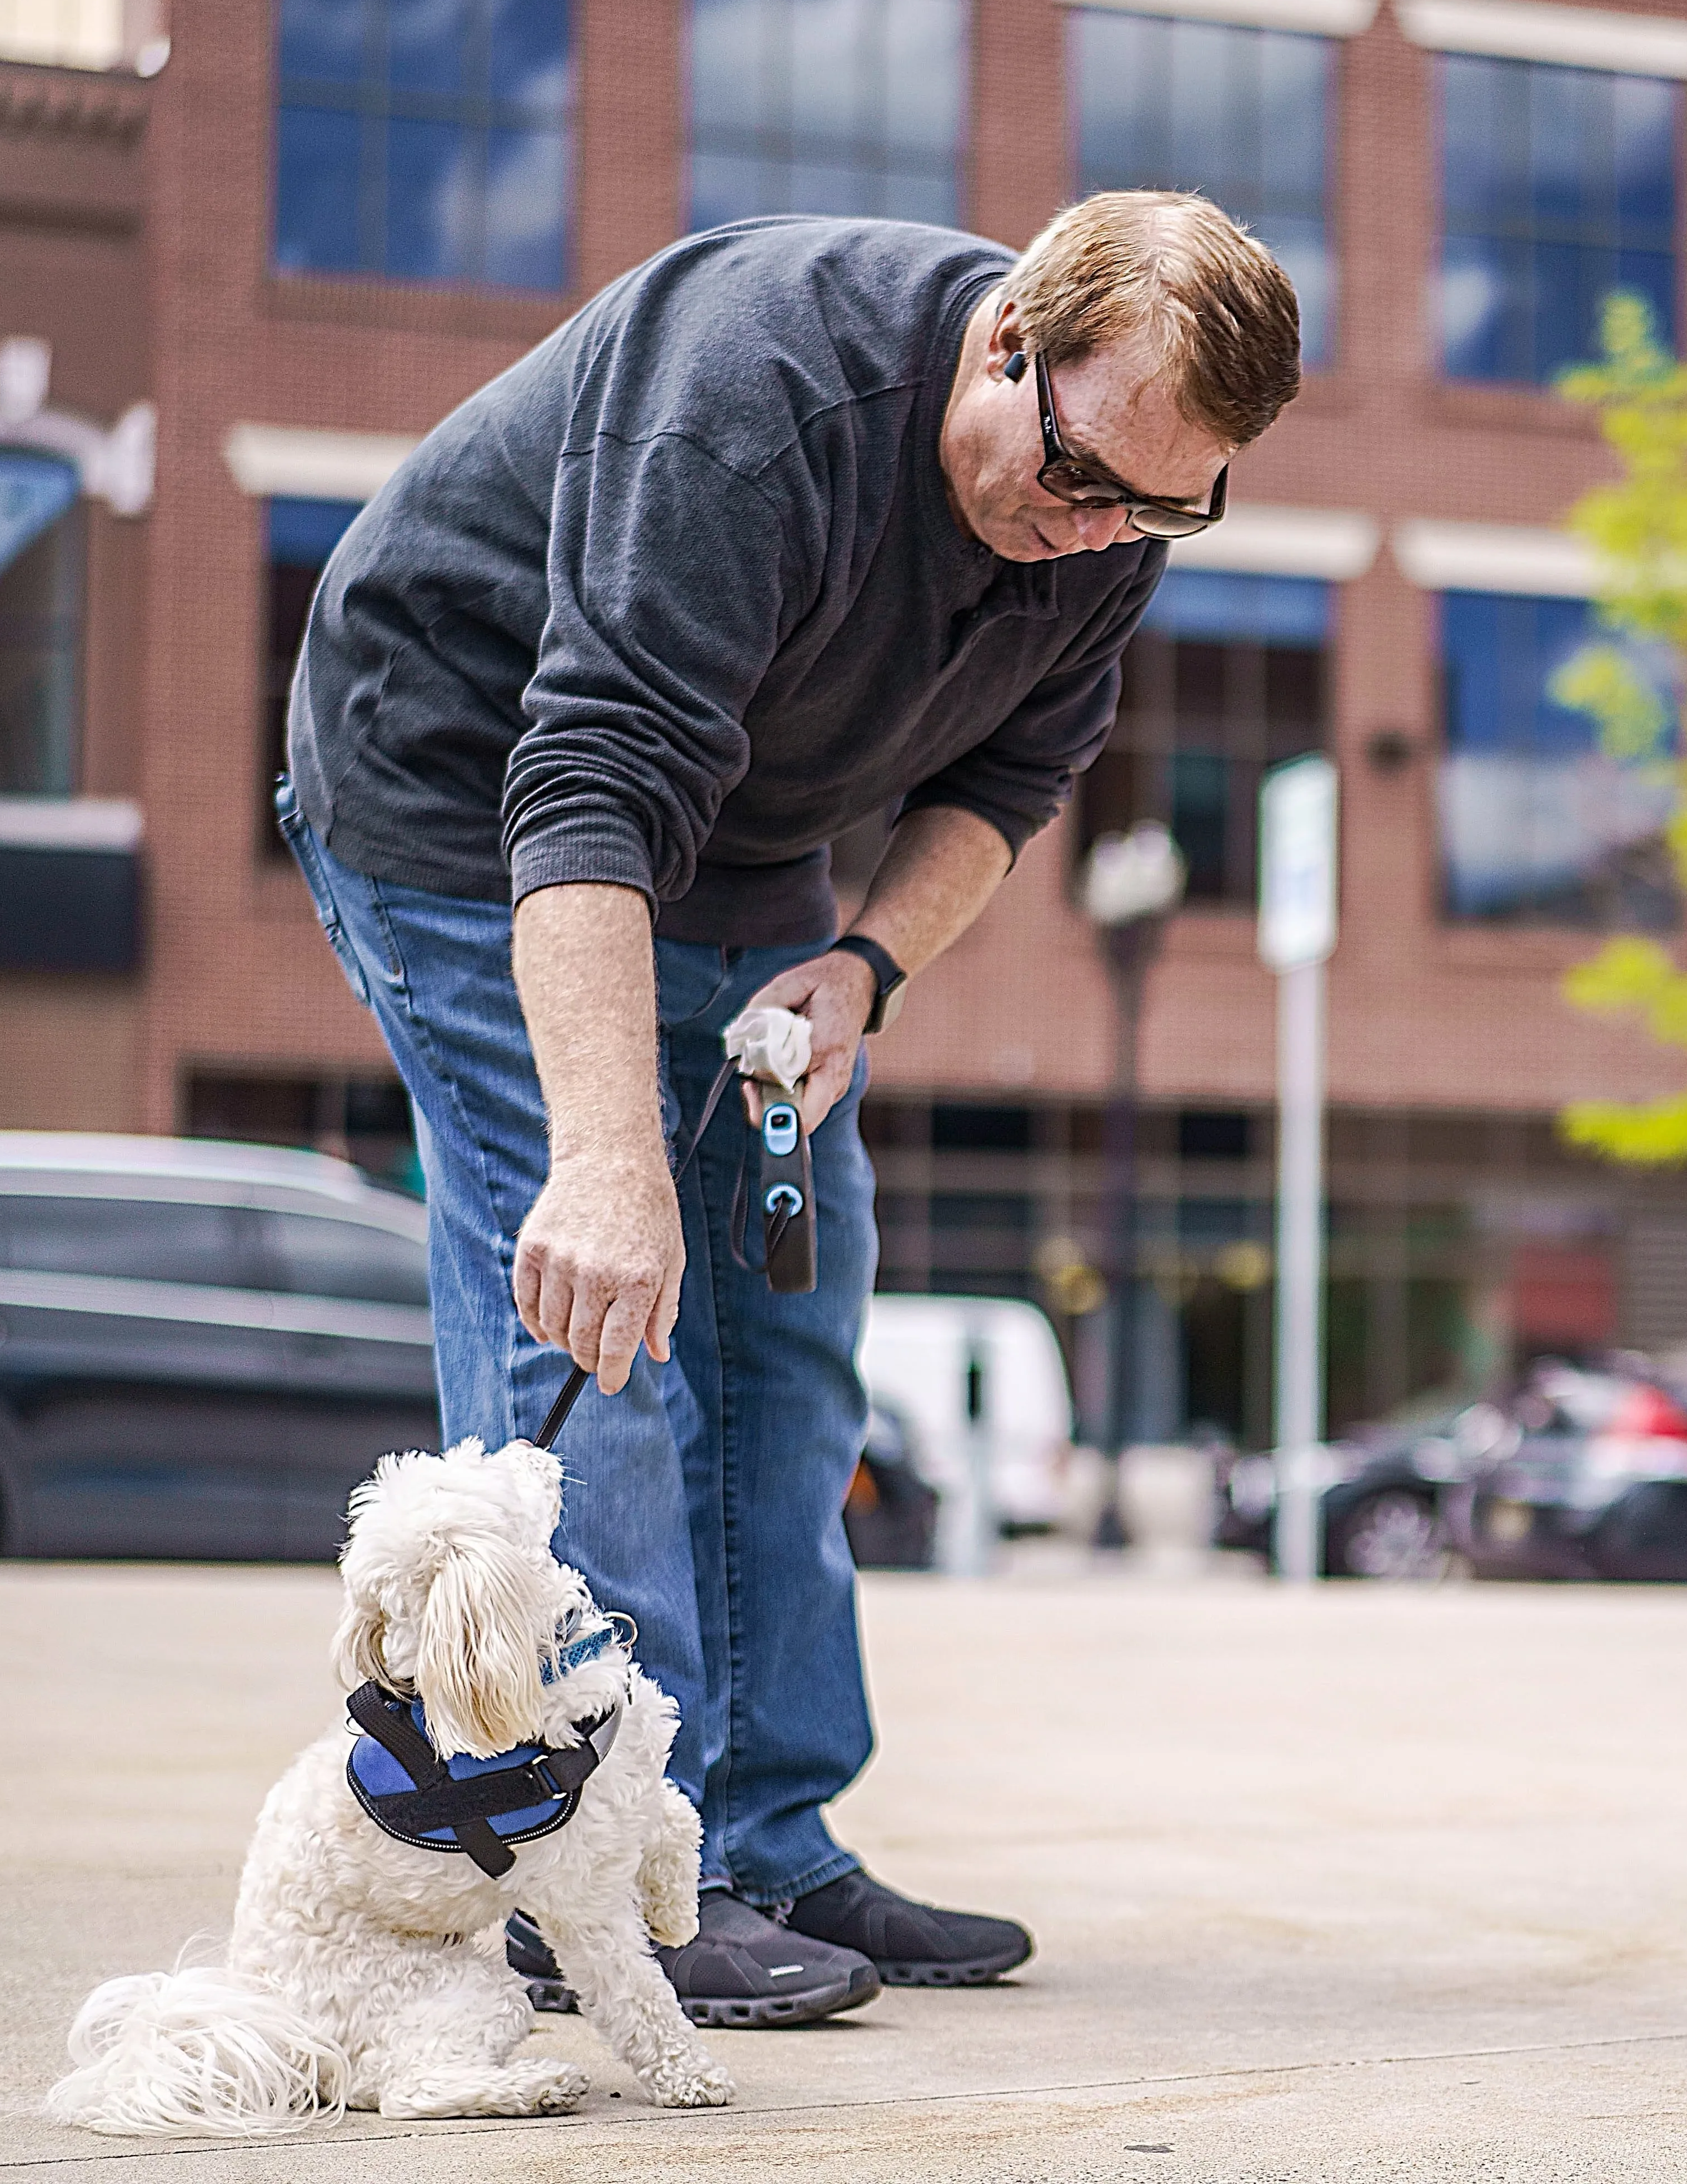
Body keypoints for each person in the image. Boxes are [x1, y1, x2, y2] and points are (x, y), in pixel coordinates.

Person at [278, 194, 1301, 2027]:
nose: (1098, 539)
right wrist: (603, 1162)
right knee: (608, 1314)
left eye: (1158, 512)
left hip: (745, 850)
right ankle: (584, 1873)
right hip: (462, 794)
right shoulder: (755, 396)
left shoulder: (1122, 494)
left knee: (794, 1313)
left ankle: (762, 1836)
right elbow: (586, 769)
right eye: (1080, 481)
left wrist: (869, 969)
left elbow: (1019, 766)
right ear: (1006, 347)